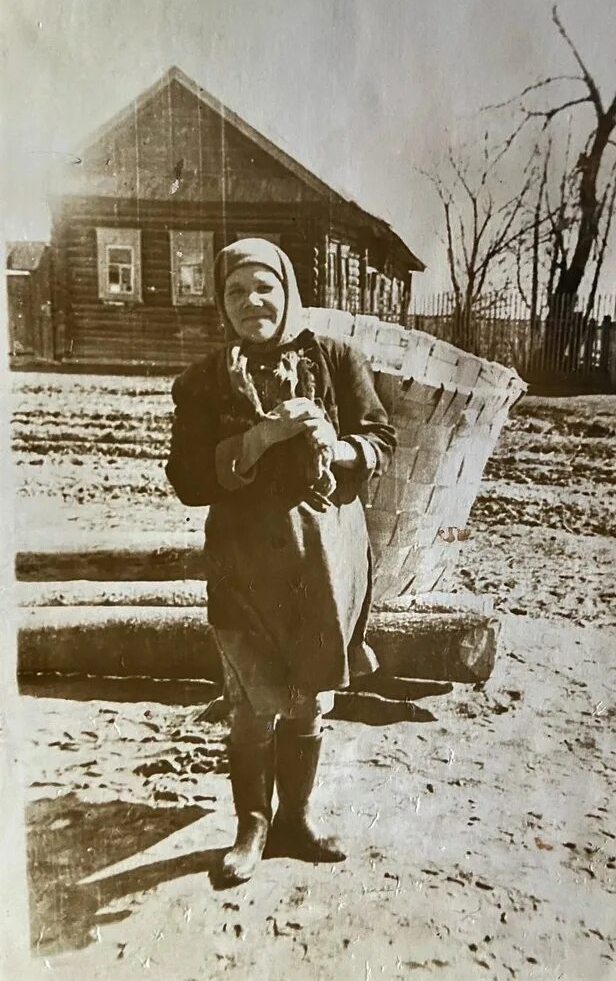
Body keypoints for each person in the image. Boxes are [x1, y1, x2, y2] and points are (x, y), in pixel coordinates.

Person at [165, 238, 396, 884]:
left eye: (264, 286)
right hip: (243, 561)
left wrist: (337, 444)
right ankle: (252, 827)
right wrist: (259, 437)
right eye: (235, 291)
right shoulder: (204, 381)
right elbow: (187, 480)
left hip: (324, 554)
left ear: (288, 290)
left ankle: (296, 819)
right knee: (255, 702)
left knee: (310, 698)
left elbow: (382, 438)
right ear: (221, 302)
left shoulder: (339, 360)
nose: (251, 302)